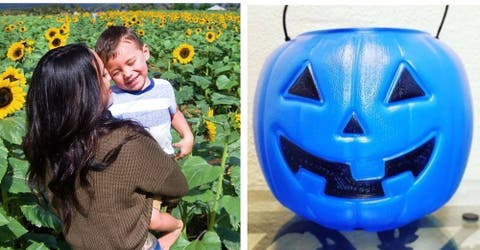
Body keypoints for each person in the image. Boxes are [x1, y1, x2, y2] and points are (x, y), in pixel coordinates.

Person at [23, 43, 188, 250]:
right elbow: (177, 186)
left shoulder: (44, 148)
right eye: (102, 74)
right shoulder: (126, 142)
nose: (109, 78)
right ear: (83, 93)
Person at [94, 25, 194, 161]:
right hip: (131, 165)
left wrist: (187, 135)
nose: (127, 74)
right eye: (116, 72)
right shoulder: (112, 98)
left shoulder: (164, 87)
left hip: (165, 159)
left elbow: (174, 113)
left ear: (145, 52)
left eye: (131, 62)